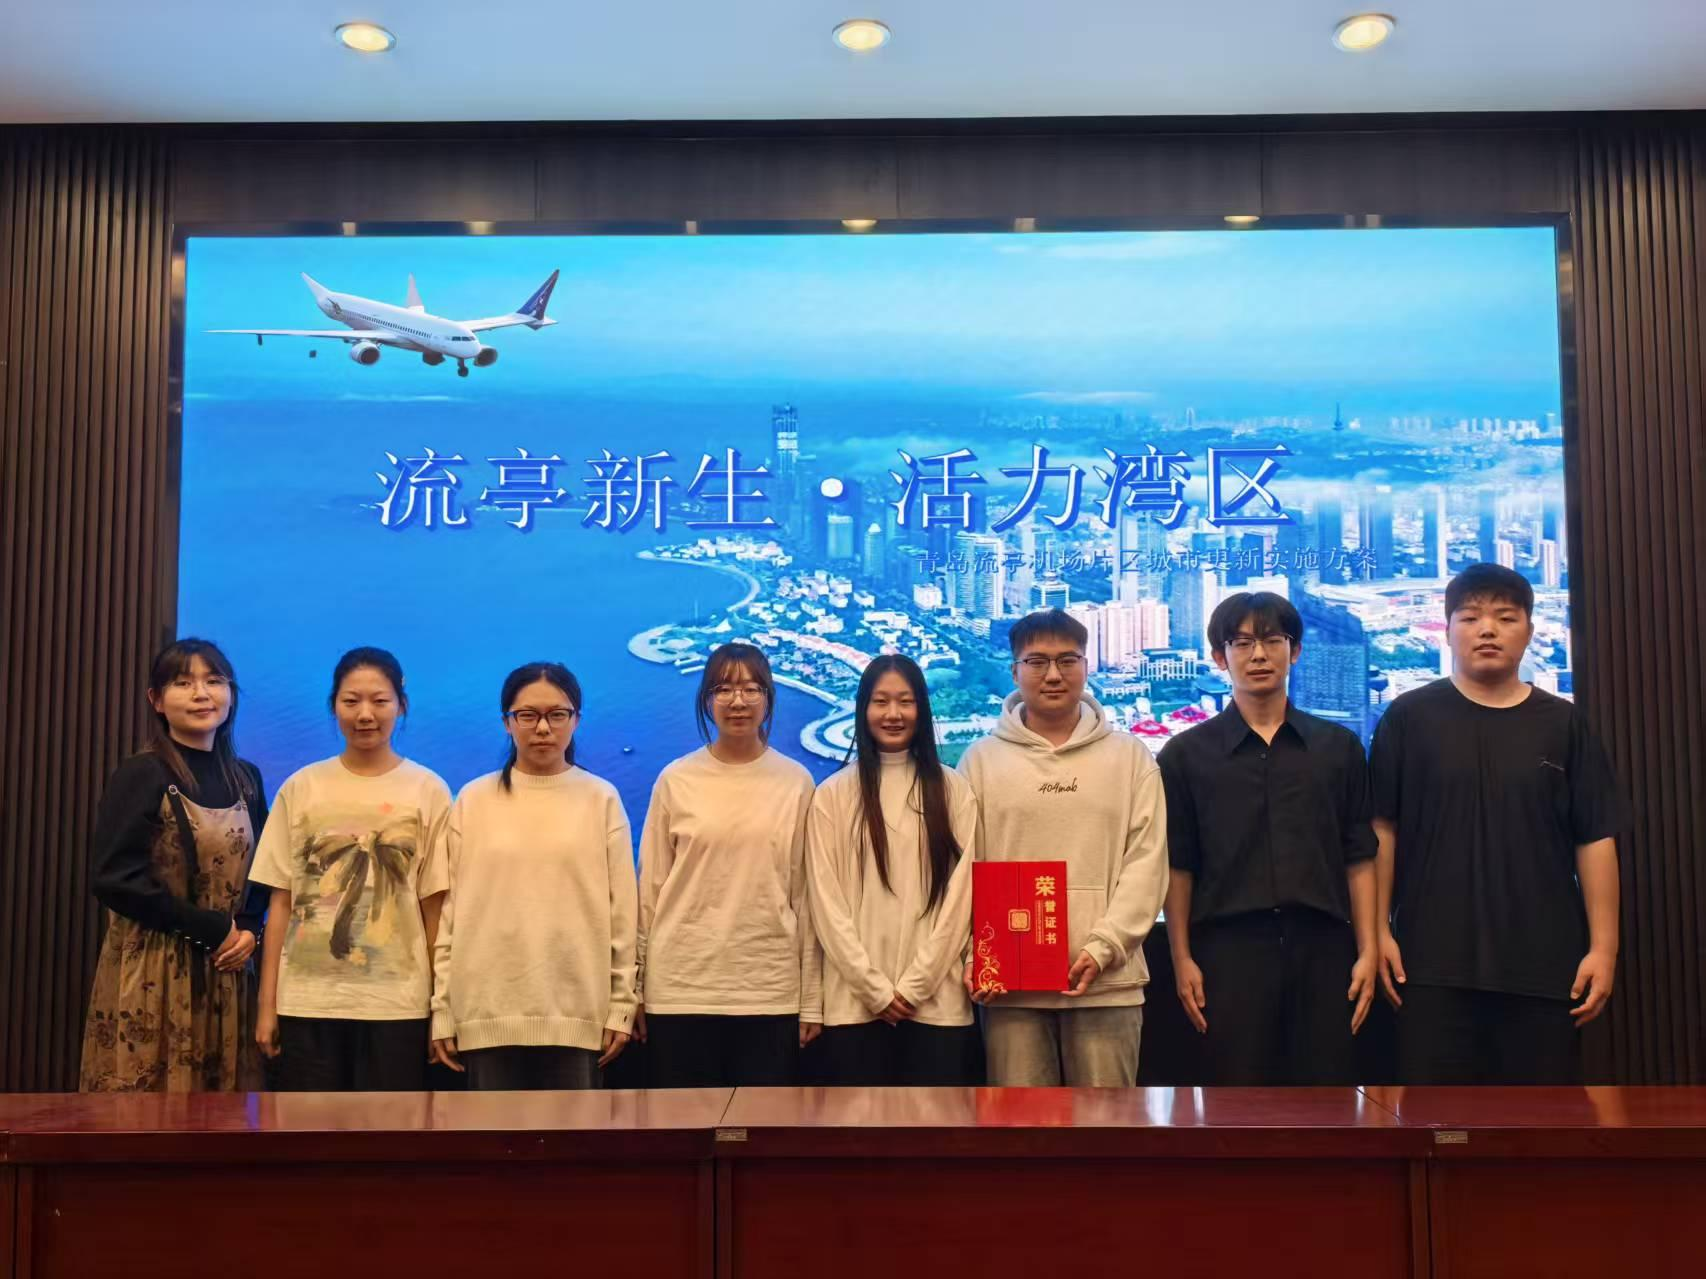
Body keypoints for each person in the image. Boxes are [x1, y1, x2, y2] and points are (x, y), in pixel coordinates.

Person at [1373, 563, 1625, 1084]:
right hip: (1429, 965)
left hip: (1545, 965)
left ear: (1529, 631)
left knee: (1540, 1123)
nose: (1487, 630)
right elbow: (1382, 832)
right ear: (1447, 631)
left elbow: (1595, 838)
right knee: (1435, 1121)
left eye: (1505, 618)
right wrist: (1377, 931)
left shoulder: (1563, 723)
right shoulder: (1409, 718)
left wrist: (1604, 948)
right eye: (1470, 618)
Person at [1158, 592, 1378, 1086]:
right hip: (1228, 955)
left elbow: (1359, 856)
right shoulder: (1185, 755)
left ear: (1294, 650)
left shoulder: (1337, 748)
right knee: (1236, 1105)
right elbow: (1179, 866)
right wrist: (1181, 958)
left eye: (1272, 640)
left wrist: (1367, 949)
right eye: (1241, 643)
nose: (1258, 655)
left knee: (1329, 1099)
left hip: (1324, 950)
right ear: (1220, 657)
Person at [957, 608, 1169, 1087]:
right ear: (1015, 671)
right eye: (1037, 662)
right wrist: (975, 954)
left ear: (1086, 666)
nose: (1053, 674)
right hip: (1011, 986)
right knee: (1020, 1126)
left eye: (1067, 660)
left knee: (1105, 1126)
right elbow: (965, 868)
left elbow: (1148, 862)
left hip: (1108, 982)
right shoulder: (981, 761)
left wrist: (1105, 946)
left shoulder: (1129, 757)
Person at [428, 662, 637, 1091]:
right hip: (485, 1015)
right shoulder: (473, 800)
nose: (543, 728)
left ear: (576, 719)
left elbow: (623, 917)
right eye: (527, 715)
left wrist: (622, 1005)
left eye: (557, 714)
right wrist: (443, 1009)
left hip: (577, 1017)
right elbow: (451, 917)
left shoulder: (601, 799)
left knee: (575, 1136)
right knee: (491, 1136)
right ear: (507, 721)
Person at [250, 647, 450, 1091]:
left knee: (391, 1128)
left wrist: (442, 1009)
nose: (365, 714)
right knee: (311, 1130)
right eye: (351, 701)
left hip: (398, 1005)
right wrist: (267, 1006)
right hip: (307, 1003)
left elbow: (434, 909)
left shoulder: (428, 790)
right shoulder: (302, 787)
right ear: (333, 705)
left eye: (380, 701)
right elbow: (280, 903)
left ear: (401, 705)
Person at [80, 639, 269, 1092]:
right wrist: (209, 928)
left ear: (231, 694)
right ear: (157, 700)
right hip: (154, 970)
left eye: (214, 681)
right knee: (148, 1107)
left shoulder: (246, 777)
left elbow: (265, 867)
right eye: (183, 683)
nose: (202, 694)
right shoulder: (141, 773)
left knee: (223, 1109)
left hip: (228, 965)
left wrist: (248, 927)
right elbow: (114, 879)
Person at [636, 642, 821, 1087]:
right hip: (681, 990)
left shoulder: (796, 783)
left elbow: (807, 899)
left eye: (751, 689)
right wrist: (634, 990)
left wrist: (812, 999)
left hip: (768, 991)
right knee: (683, 1124)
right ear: (706, 700)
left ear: (768, 698)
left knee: (765, 1125)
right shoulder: (676, 780)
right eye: (723, 689)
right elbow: (649, 893)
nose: (738, 701)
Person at [807, 655, 980, 1086]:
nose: (893, 713)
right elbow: (826, 905)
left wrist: (916, 985)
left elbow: (962, 900)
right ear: (863, 708)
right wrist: (874, 990)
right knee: (861, 1129)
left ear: (922, 708)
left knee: (934, 1127)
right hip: (853, 1007)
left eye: (905, 701)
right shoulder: (832, 795)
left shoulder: (954, 790)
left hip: (938, 1006)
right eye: (881, 701)